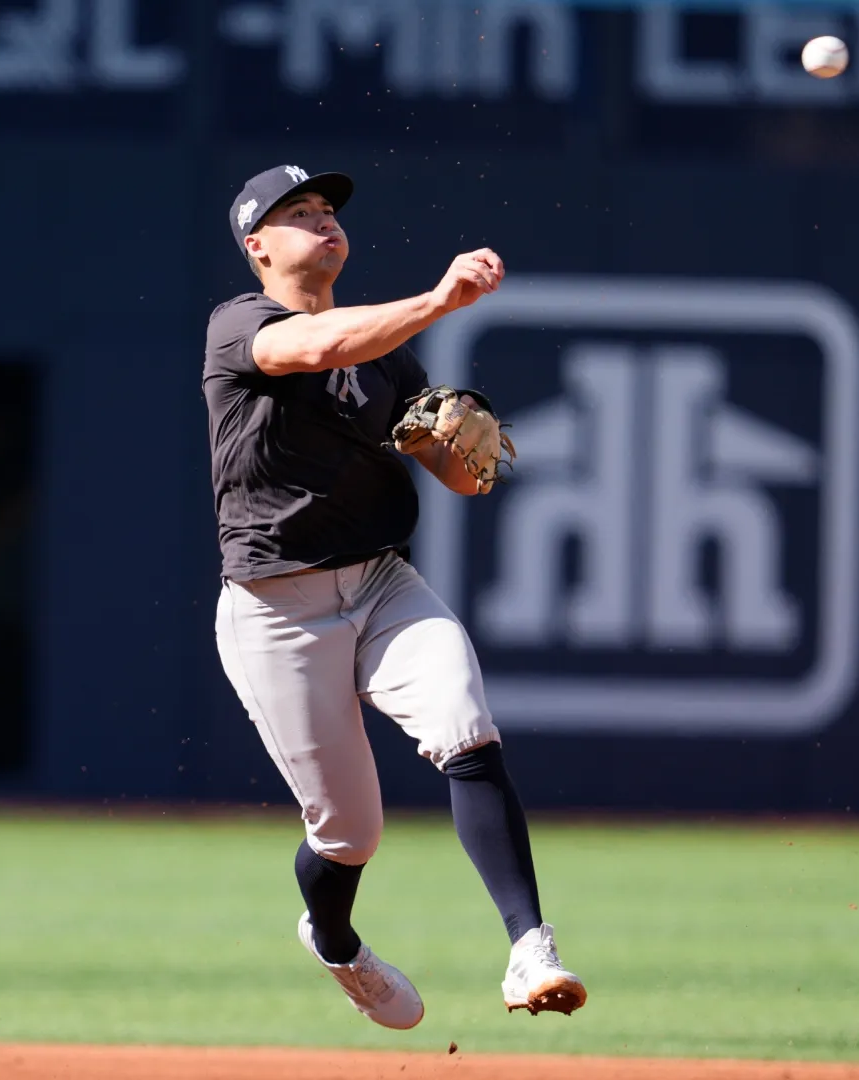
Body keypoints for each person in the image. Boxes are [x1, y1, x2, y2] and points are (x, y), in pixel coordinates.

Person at [201, 164, 586, 1029]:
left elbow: (458, 473)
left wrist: (462, 453)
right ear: (258, 246)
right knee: (349, 835)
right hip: (276, 611)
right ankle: (336, 945)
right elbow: (318, 347)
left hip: (379, 582)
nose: (323, 221)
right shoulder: (239, 325)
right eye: (297, 213)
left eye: (329, 209)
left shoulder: (386, 359)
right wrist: (442, 299)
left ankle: (530, 948)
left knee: (466, 726)